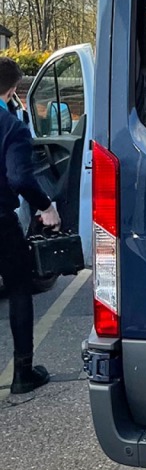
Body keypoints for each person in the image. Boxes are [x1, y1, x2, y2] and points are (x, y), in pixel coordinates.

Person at [0, 56, 61, 394]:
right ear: (12, 90)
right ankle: (23, 372)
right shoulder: (12, 127)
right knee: (20, 289)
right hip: (1, 222)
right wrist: (46, 206)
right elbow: (20, 178)